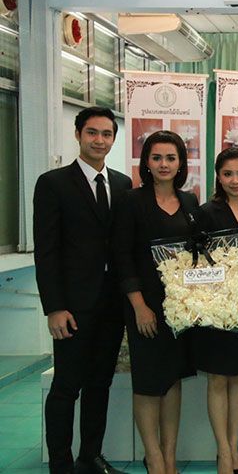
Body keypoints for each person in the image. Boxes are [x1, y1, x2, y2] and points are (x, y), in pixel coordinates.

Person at [34, 107, 132, 474]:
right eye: (92, 133)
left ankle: (90, 456)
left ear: (114, 138)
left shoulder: (122, 184)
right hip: (72, 307)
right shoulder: (53, 183)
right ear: (78, 135)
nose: (99, 140)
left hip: (112, 304)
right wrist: (54, 307)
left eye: (106, 134)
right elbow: (46, 251)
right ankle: (60, 464)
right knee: (66, 386)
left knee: (100, 383)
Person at [114, 131, 200, 474]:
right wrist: (139, 305)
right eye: (157, 157)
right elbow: (122, 256)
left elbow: (198, 254)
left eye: (171, 158)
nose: (164, 164)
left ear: (181, 164)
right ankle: (153, 457)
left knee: (173, 379)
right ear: (146, 162)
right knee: (149, 383)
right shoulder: (130, 201)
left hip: (180, 308)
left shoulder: (190, 202)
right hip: (145, 307)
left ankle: (169, 455)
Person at [193, 147, 238, 474]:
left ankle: (234, 449)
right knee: (218, 379)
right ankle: (223, 453)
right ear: (218, 178)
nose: (235, 180)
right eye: (228, 174)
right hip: (214, 307)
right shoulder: (205, 213)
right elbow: (191, 261)